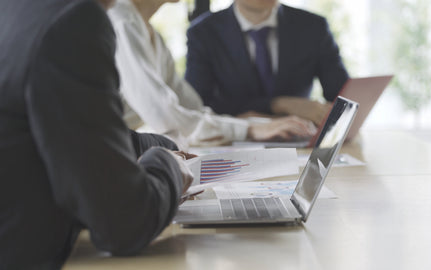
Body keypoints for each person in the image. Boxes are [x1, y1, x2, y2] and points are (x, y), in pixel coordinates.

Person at [0, 0, 194, 268]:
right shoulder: (73, 20)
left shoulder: (21, 9)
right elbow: (123, 222)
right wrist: (169, 164)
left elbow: (76, 134)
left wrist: (161, 144)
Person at [108, 0, 316, 147]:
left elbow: (194, 109)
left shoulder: (150, 34)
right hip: (97, 162)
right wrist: (249, 130)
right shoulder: (122, 21)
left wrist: (262, 126)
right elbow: (164, 117)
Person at [185, 0, 350, 125]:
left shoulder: (313, 27)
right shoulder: (203, 33)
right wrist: (278, 105)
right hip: (232, 141)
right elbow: (197, 104)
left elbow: (342, 95)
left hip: (301, 137)